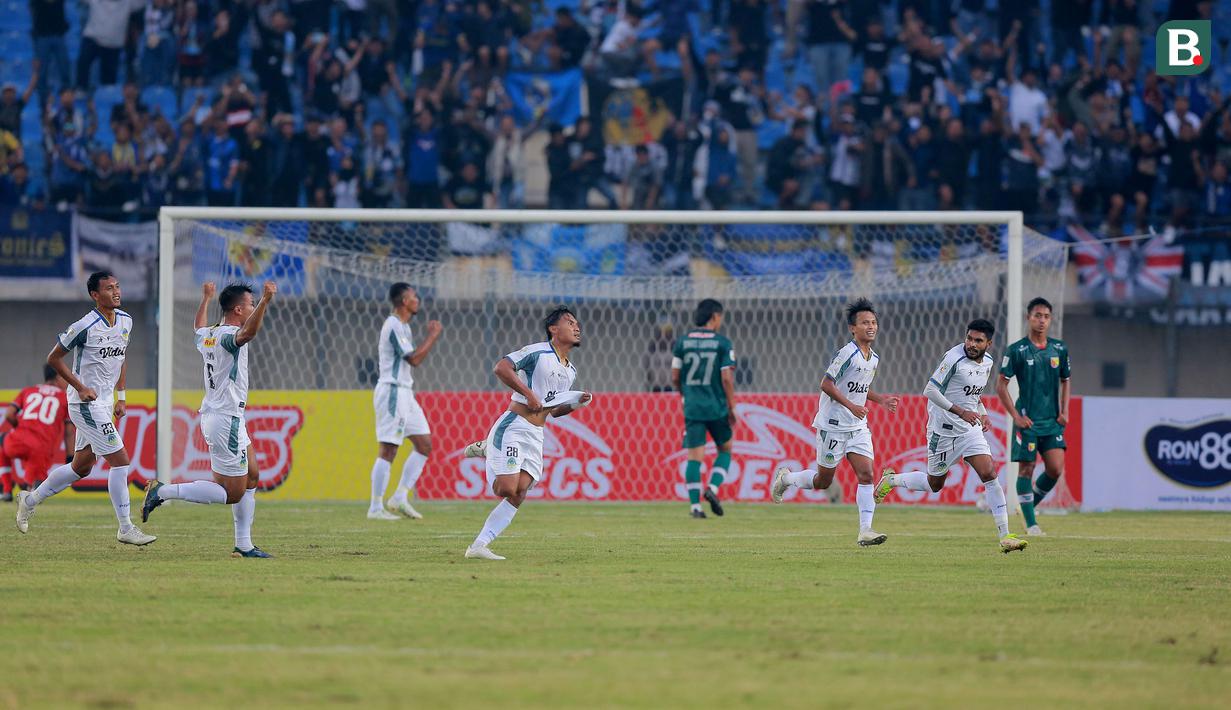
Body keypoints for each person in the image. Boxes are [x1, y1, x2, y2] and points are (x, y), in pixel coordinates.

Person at [16, 271, 155, 546]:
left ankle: (29, 499)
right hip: (85, 403)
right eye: (109, 288)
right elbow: (53, 358)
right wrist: (79, 387)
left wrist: (122, 396)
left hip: (105, 402)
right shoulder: (84, 325)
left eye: (117, 286)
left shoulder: (126, 320)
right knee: (120, 460)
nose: (116, 292)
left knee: (81, 467)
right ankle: (125, 528)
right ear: (95, 295)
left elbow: (121, 356)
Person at [140, 281, 277, 558]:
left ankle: (244, 545)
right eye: (249, 305)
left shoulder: (209, 335)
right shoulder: (228, 335)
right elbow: (248, 333)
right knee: (232, 493)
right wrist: (265, 301)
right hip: (226, 420)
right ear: (238, 309)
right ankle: (164, 491)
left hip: (226, 415)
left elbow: (197, 328)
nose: (252, 308)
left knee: (252, 475)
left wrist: (205, 298)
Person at [874, 319, 1029, 554]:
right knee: (934, 484)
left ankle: (1005, 535)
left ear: (989, 343)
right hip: (942, 432)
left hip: (969, 429)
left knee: (989, 473)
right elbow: (930, 390)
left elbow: (973, 394)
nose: (972, 344)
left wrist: (982, 413)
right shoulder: (953, 359)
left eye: (978, 340)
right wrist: (961, 411)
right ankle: (891, 480)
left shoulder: (987, 362)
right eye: (969, 338)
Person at [459, 308, 592, 560]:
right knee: (507, 488)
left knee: (520, 492)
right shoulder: (537, 352)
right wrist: (529, 394)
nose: (577, 327)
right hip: (514, 424)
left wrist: (577, 403)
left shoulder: (571, 370)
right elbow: (501, 368)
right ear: (554, 329)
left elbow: (552, 411)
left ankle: (478, 546)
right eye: (569, 322)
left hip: (536, 434)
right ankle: (489, 448)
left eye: (577, 323)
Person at [770, 299, 900, 546]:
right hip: (832, 425)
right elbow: (826, 384)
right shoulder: (846, 353)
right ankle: (786, 479)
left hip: (857, 427)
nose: (870, 327)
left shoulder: (873, 358)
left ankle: (865, 530)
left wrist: (880, 399)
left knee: (866, 474)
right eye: (865, 323)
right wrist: (851, 406)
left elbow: (860, 388)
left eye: (873, 322)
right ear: (853, 328)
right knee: (823, 481)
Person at [367, 283, 443, 521]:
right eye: (413, 296)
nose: (417, 299)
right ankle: (376, 507)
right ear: (402, 300)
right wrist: (432, 336)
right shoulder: (393, 325)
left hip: (405, 393)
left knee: (424, 444)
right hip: (392, 391)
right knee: (389, 448)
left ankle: (399, 497)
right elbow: (414, 360)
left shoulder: (404, 327)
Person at [995, 297, 1070, 536]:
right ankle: (1031, 524)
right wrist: (1015, 416)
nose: (1041, 320)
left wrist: (1064, 410)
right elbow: (1000, 385)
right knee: (1026, 469)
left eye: (1046, 316)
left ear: (1050, 320)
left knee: (1055, 469)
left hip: (1052, 422)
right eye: (1037, 315)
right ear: (1028, 318)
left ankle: (1026, 507)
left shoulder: (1059, 349)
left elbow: (1065, 381)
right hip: (1027, 422)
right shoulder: (1017, 350)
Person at [671, 299, 736, 518]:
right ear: (716, 316)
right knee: (725, 449)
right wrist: (732, 405)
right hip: (717, 406)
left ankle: (695, 508)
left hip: (693, 407)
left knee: (694, 457)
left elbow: (675, 377)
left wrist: (685, 394)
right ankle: (713, 488)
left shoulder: (682, 342)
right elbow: (727, 378)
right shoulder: (722, 343)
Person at [0, 365, 74, 502]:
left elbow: (9, 415)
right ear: (59, 377)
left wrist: (20, 428)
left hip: (17, 441)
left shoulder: (28, 391)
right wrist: (70, 458)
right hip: (41, 449)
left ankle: (6, 490)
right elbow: (69, 432)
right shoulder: (66, 399)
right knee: (35, 493)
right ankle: (30, 485)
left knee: (2, 442)